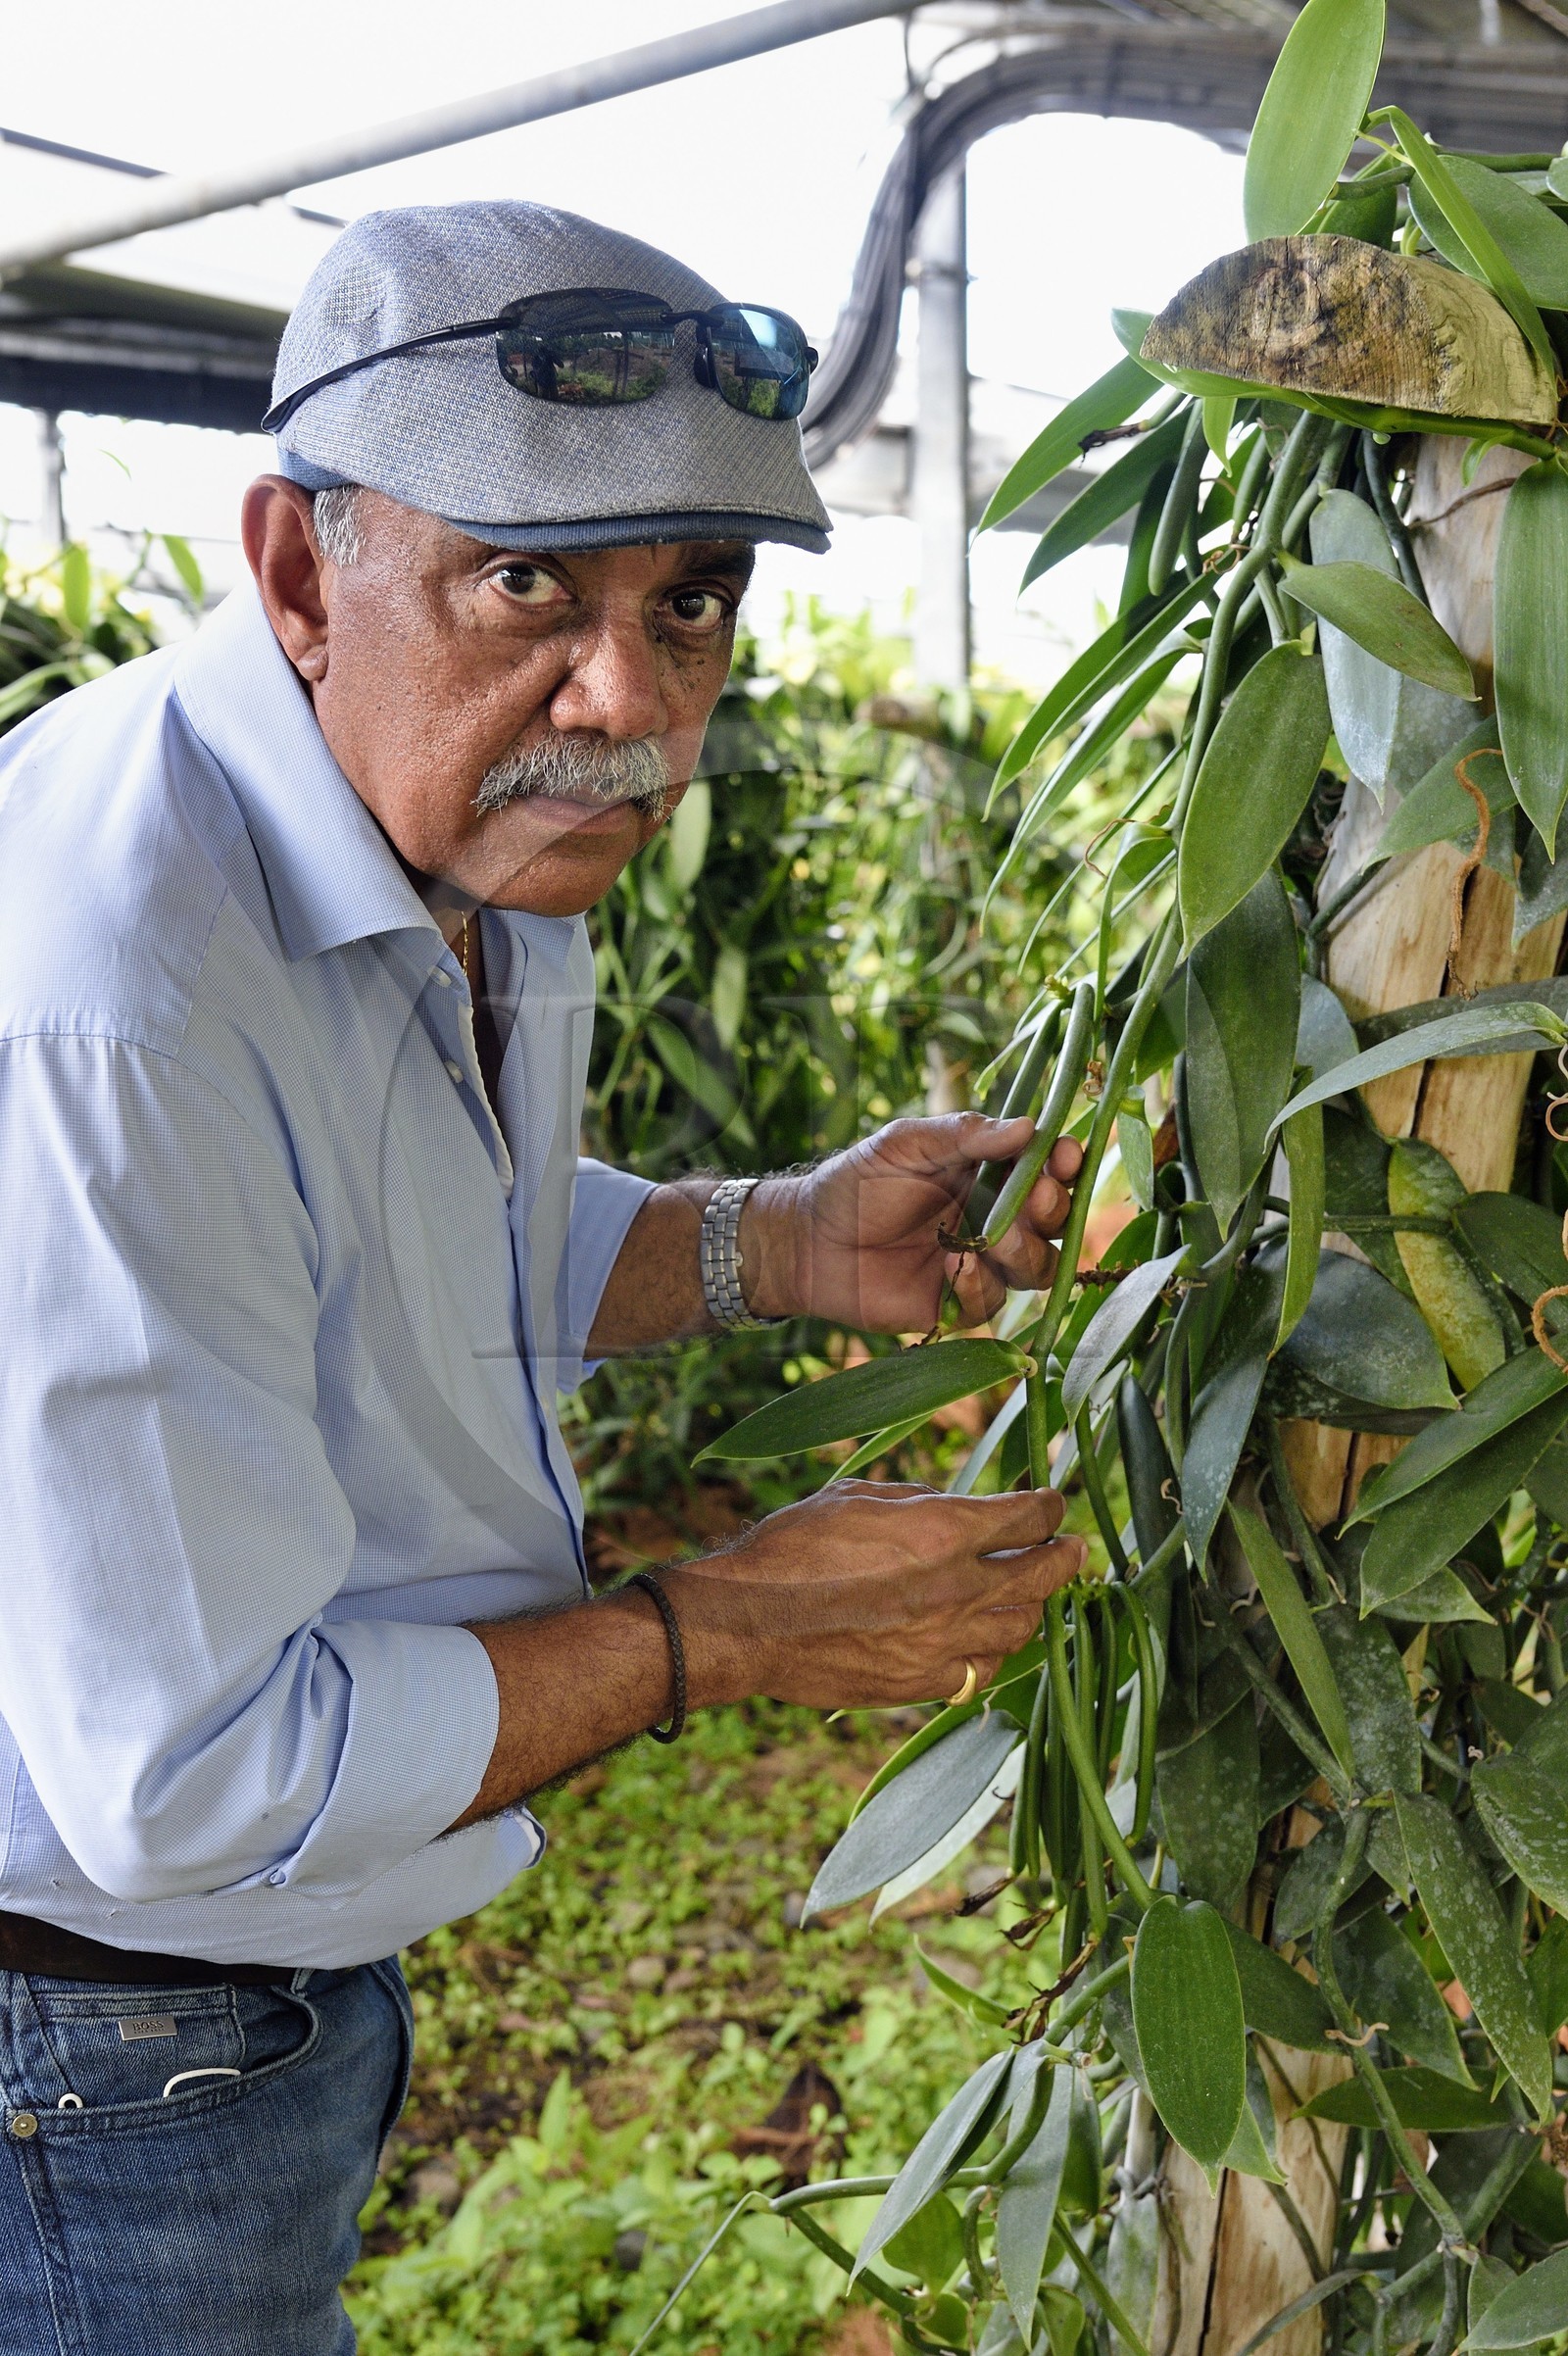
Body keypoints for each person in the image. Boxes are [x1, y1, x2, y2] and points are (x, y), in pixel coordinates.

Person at [0, 201, 1085, 2352]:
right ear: (303, 574)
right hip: (96, 2063)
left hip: (260, 1997)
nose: (632, 704)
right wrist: (730, 1630)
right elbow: (188, 1777)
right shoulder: (112, 993)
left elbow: (422, 1239)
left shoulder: (476, 848)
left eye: (691, 605)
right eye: (525, 583)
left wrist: (771, 1235)